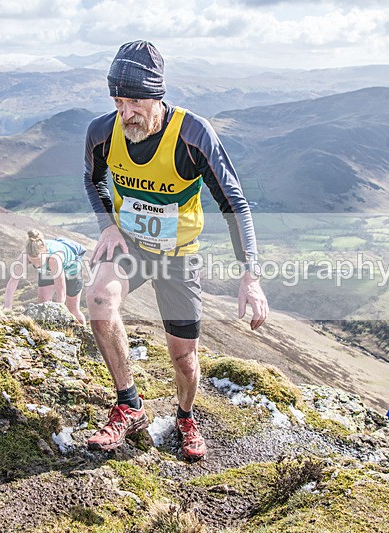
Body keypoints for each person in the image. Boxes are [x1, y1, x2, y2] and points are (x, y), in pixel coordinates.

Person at [83, 40, 269, 461]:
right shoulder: (101, 131)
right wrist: (108, 225)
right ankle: (129, 405)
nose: (125, 112)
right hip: (130, 244)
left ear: (157, 97)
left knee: (184, 358)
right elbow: (91, 180)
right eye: (117, 100)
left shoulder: (193, 134)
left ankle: (186, 415)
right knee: (98, 300)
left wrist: (250, 276)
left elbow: (234, 203)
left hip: (179, 254)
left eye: (134, 101)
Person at [4, 229, 87, 325]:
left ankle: (85, 333)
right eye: (32, 262)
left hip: (72, 270)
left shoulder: (54, 259)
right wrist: (7, 308)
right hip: (47, 269)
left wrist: (58, 312)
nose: (37, 265)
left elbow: (61, 292)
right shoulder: (25, 255)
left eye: (39, 261)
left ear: (45, 253)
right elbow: (13, 281)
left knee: (72, 310)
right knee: (42, 304)